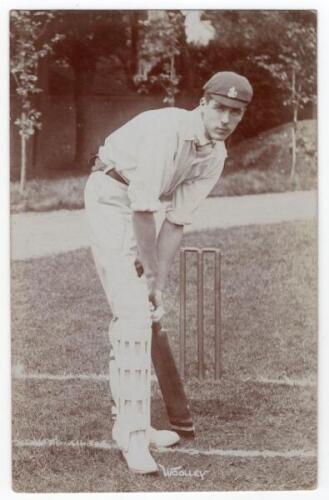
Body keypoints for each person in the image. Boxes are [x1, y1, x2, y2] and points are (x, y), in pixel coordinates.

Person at [84, 71, 253, 475]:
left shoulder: (215, 154)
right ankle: (133, 437)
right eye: (220, 108)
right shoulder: (171, 132)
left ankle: (132, 422)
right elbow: (143, 209)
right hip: (110, 197)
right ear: (203, 103)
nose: (227, 119)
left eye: (236, 112)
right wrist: (147, 275)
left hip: (137, 203)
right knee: (134, 313)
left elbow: (175, 221)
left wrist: (156, 281)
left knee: (138, 312)